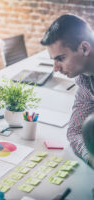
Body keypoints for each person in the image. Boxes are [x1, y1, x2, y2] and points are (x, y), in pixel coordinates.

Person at [41, 14, 94, 166]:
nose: (56, 68)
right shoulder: (85, 79)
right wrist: (90, 157)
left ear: (84, 48)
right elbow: (75, 131)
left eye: (61, 58)